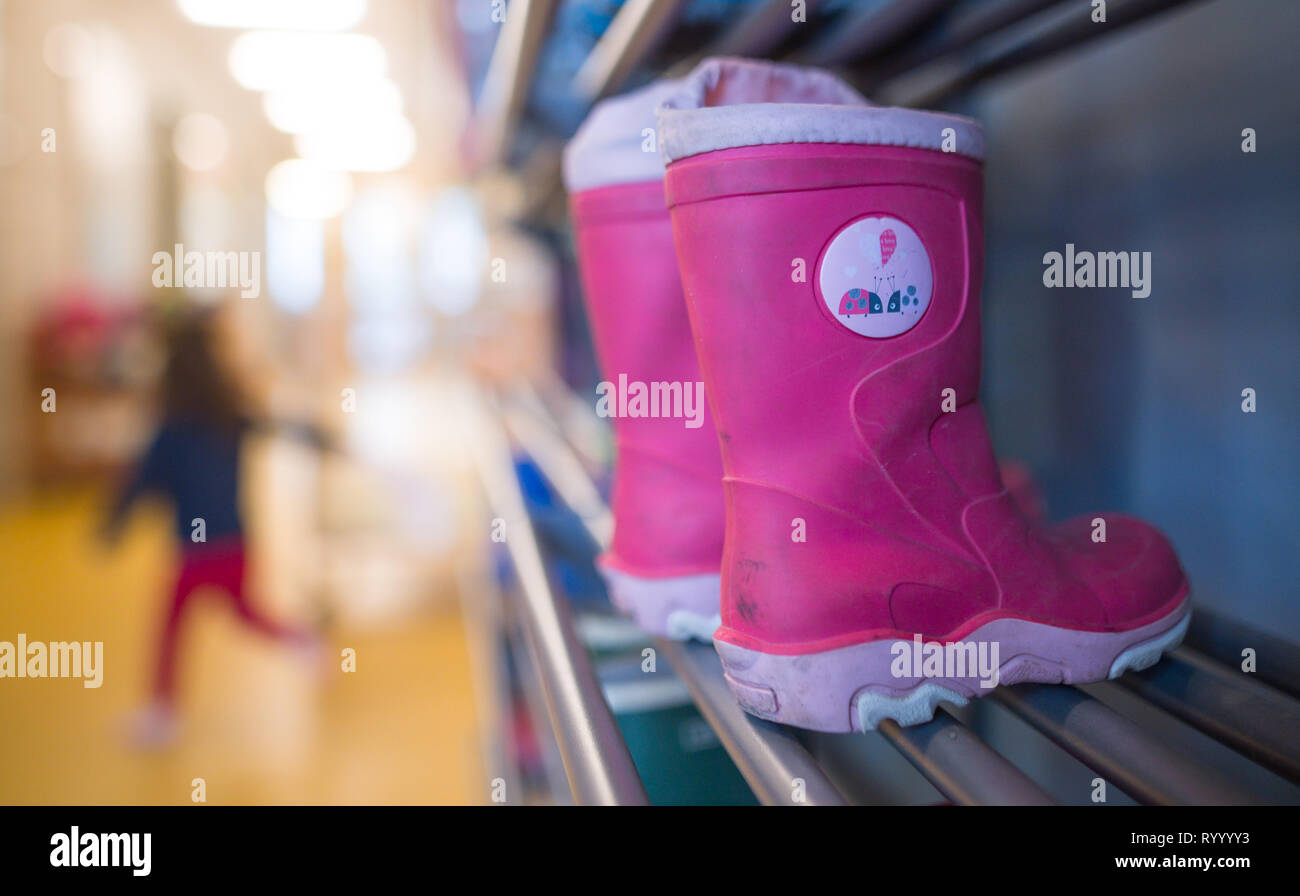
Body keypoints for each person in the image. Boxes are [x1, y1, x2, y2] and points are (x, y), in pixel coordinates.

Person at [102, 306, 328, 747]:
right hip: (237, 543)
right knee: (246, 613)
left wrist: (114, 524)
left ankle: (163, 714)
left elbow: (143, 482)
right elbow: (283, 429)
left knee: (170, 627)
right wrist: (322, 438)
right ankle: (305, 641)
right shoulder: (230, 416)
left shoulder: (170, 427)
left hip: (194, 549)